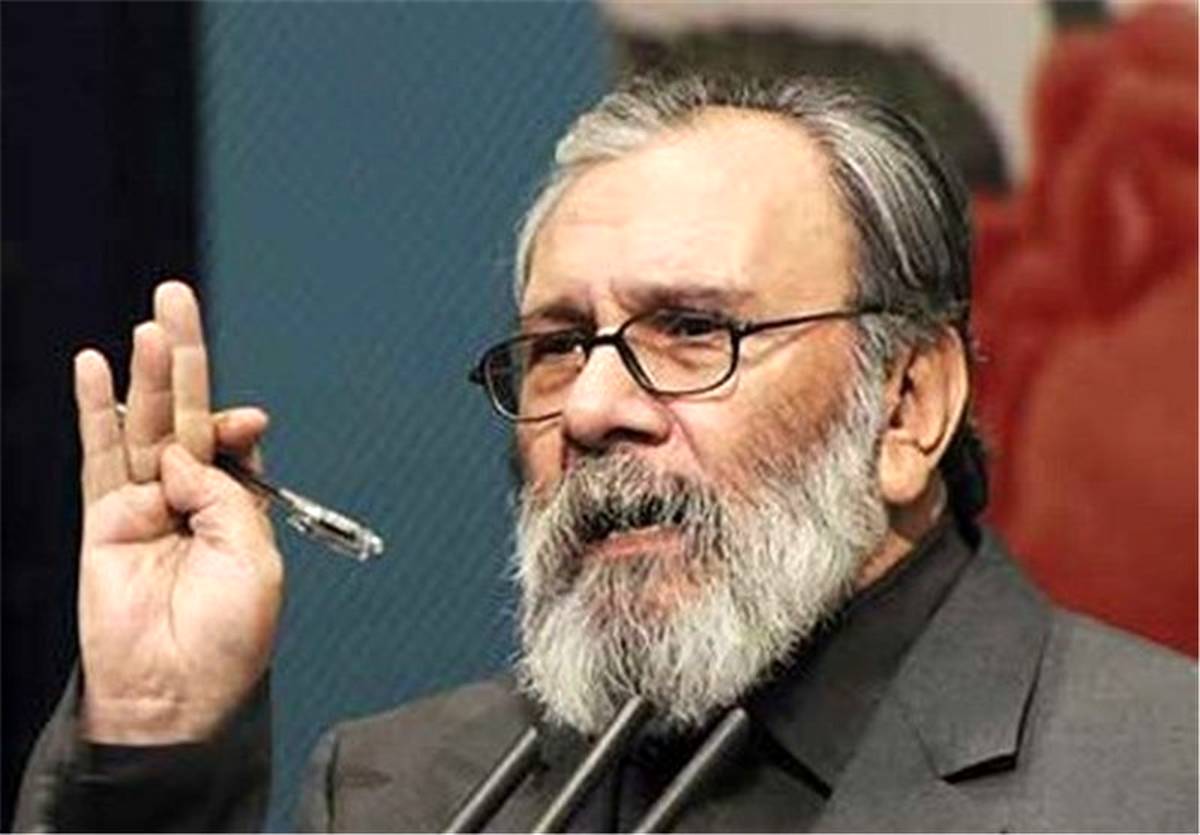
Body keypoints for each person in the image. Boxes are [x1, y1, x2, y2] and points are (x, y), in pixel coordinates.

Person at [14, 74, 1196, 833]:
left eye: (692, 331)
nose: (590, 407)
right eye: (557, 345)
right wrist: (152, 743)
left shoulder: (1162, 775)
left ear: (907, 406)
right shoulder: (404, 792)